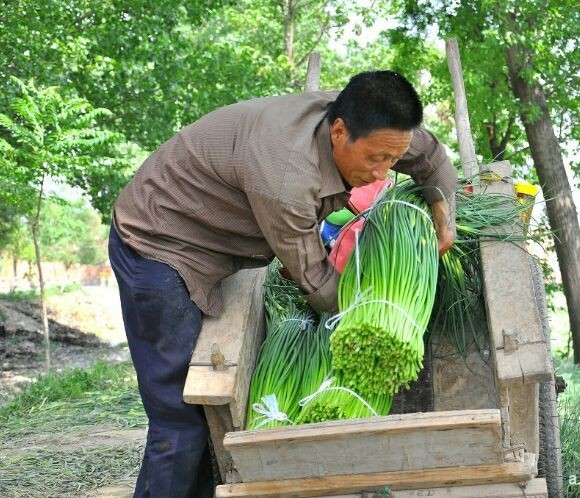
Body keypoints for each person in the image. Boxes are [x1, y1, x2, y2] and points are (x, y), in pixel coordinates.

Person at [108, 70, 457, 497]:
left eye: (392, 159)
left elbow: (433, 158)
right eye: (374, 160)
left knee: (199, 421)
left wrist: (442, 210)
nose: (383, 174)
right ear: (339, 131)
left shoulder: (371, 121)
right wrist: (369, 317)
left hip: (211, 232)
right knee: (182, 415)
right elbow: (315, 281)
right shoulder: (287, 177)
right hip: (159, 242)